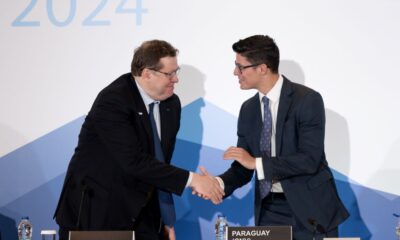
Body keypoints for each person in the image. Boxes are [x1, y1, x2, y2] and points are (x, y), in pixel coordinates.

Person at [54, 40, 224, 240]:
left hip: (145, 213)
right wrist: (193, 180)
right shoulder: (114, 100)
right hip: (99, 212)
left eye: (176, 71)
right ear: (146, 73)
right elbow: (133, 161)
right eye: (169, 74)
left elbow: (159, 163)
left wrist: (165, 219)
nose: (176, 79)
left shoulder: (171, 104)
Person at [216, 35, 349, 239]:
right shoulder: (248, 109)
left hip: (310, 208)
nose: (235, 72)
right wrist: (219, 184)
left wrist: (257, 163)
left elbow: (309, 160)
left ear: (262, 68)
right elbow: (244, 165)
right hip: (269, 209)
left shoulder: (307, 100)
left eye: (240, 67)